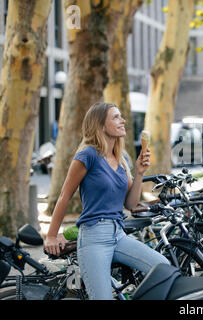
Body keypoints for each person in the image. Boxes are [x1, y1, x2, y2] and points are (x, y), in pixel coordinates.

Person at [44, 102, 170, 300]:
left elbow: (130, 204)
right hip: (93, 237)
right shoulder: (88, 155)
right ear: (101, 125)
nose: (123, 120)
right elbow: (64, 195)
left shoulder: (121, 160)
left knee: (164, 269)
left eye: (121, 116)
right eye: (116, 117)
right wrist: (51, 236)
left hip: (118, 234)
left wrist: (139, 172)